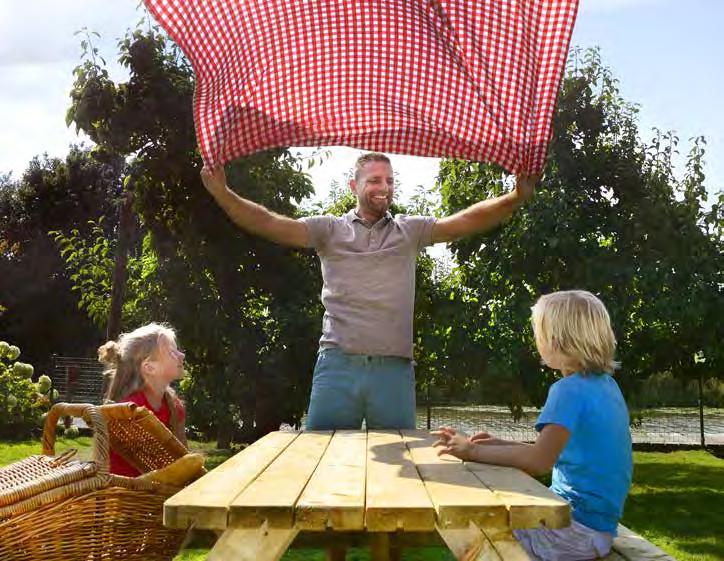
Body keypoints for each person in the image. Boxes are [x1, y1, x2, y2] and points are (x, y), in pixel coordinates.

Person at [201, 153, 537, 430]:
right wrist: (222, 193)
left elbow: (464, 221)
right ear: (354, 185)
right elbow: (270, 224)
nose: (384, 187)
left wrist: (514, 197)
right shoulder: (328, 230)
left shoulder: (410, 231)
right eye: (375, 180)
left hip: (393, 370)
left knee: (397, 479)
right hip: (337, 366)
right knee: (322, 462)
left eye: (389, 181)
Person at [433, 290, 633, 561]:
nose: (536, 341)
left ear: (556, 340)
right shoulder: (606, 386)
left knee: (464, 529)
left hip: (570, 533)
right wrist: (497, 444)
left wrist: (472, 452)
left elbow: (539, 461)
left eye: (538, 333)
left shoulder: (568, 391)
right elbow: (551, 450)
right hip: (598, 532)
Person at [98, 322, 187, 477]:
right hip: (127, 497)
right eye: (172, 353)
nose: (182, 355)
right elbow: (157, 467)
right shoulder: (131, 411)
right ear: (149, 368)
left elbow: (184, 459)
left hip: (155, 494)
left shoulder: (174, 406)